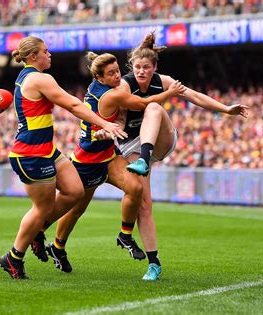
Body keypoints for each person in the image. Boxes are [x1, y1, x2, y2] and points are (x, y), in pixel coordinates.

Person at [116, 32, 249, 280]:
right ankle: (154, 263)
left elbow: (195, 96)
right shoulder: (124, 85)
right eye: (137, 67)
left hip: (161, 140)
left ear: (155, 67)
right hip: (131, 146)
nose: (141, 71)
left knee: (154, 107)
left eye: (146, 67)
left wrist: (226, 109)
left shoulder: (162, 81)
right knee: (144, 205)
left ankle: (145, 159)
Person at [0, 36, 127, 279]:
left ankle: (39, 229)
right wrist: (105, 125)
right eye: (45, 52)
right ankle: (13, 258)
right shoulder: (38, 78)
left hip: (46, 150)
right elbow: (74, 105)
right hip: (31, 155)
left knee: (76, 191)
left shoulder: (27, 76)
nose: (50, 55)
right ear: (33, 56)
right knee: (42, 208)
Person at [43, 52, 185, 273]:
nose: (118, 76)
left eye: (118, 70)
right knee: (75, 211)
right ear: (99, 78)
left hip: (108, 156)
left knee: (135, 187)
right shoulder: (109, 96)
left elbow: (116, 116)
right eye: (111, 73)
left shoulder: (105, 90)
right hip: (87, 161)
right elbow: (144, 103)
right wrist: (170, 92)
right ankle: (51, 243)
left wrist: (108, 130)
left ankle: (125, 235)